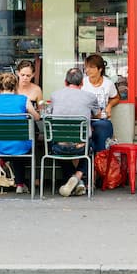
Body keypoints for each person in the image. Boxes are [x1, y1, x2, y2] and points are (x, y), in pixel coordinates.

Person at [0, 72, 39, 194]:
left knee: (11, 145)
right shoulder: (23, 99)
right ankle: (20, 184)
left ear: (0, 86)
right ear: (15, 86)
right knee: (19, 146)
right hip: (20, 145)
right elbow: (36, 117)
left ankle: (3, 162)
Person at [48, 67, 97, 197]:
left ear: (65, 82)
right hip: (80, 147)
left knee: (53, 143)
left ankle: (73, 178)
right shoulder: (90, 97)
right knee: (92, 145)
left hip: (59, 146)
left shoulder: (55, 95)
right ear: (82, 83)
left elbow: (49, 113)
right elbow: (97, 114)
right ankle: (78, 176)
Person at [81, 53, 119, 153]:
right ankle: (92, 161)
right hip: (85, 119)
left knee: (103, 128)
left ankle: (99, 160)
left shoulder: (108, 84)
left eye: (91, 67)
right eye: (86, 67)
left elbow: (115, 97)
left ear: (100, 69)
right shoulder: (82, 83)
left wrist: (110, 106)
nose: (87, 70)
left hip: (101, 120)